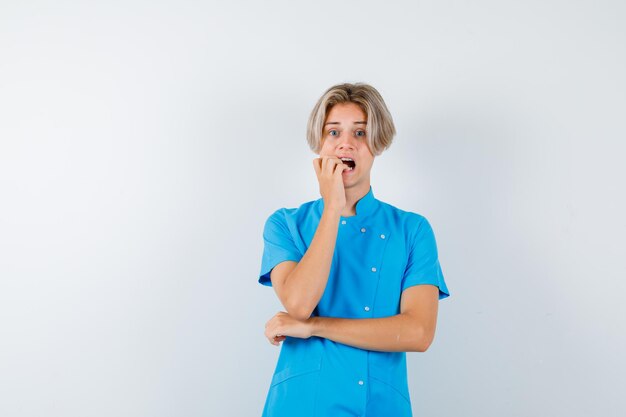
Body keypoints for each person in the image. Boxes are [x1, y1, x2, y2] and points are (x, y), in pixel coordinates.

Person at [258, 82, 450, 417]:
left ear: (377, 143)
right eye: (333, 132)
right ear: (319, 143)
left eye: (360, 133)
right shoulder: (285, 224)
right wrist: (333, 206)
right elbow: (300, 304)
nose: (346, 142)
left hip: (379, 405)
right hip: (303, 404)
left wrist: (314, 327)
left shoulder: (411, 230)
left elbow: (419, 333)